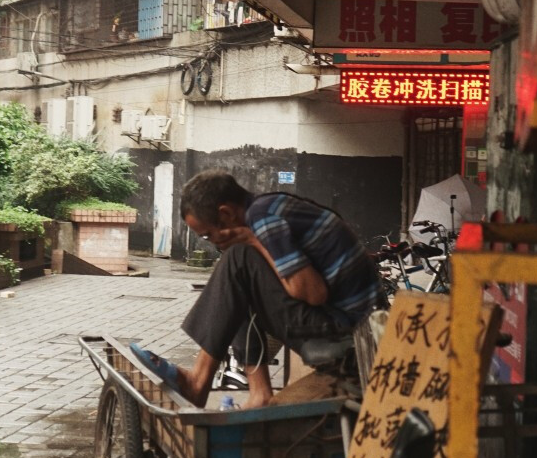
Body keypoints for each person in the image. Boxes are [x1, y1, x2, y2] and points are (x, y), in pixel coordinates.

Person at [131, 170, 381, 409]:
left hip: (347, 331)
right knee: (239, 275)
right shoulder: (267, 207)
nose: (211, 242)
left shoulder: (263, 219)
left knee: (238, 260)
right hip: (348, 321)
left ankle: (200, 381)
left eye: (207, 235)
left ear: (226, 213)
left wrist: (252, 241)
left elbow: (312, 293)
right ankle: (257, 391)